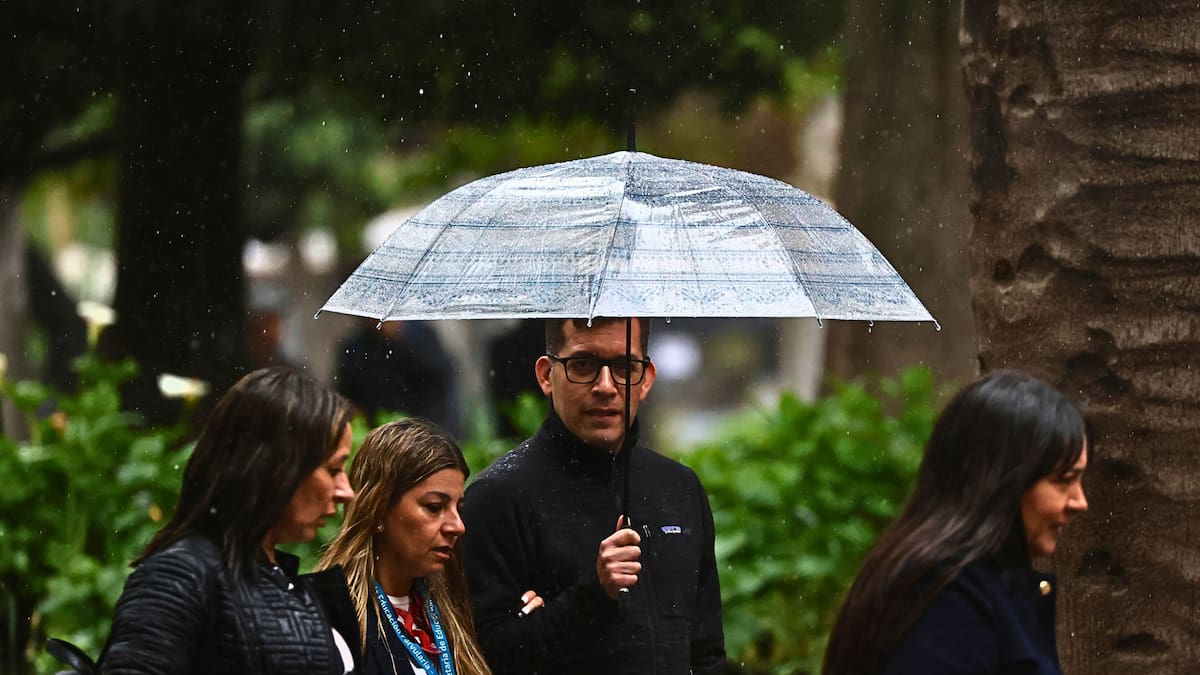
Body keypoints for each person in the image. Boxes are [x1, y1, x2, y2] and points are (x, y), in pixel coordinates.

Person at [462, 317, 727, 675]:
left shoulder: (680, 489)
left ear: (645, 379)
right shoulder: (498, 497)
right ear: (545, 375)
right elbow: (486, 659)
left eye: (624, 366)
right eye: (583, 365)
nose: (605, 386)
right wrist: (592, 594)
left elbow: (706, 651)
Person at [822, 370, 1091, 675]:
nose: (1079, 502)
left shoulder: (970, 587)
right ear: (1004, 480)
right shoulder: (948, 600)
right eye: (1063, 480)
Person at [98, 367, 359, 675]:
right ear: (277, 467)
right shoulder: (179, 577)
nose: (346, 492)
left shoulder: (275, 578)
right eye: (332, 469)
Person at [320, 418, 536, 675]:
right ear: (377, 510)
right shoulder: (329, 613)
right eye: (435, 507)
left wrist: (522, 634)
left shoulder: (457, 603)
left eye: (459, 508)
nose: (458, 526)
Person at [335, 319, 458, 433]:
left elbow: (438, 373)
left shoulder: (420, 335)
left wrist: (398, 337)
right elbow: (348, 394)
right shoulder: (356, 347)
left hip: (422, 426)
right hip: (379, 431)